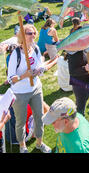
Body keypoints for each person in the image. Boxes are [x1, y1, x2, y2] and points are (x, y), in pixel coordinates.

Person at [7, 24, 52, 153]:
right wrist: (24, 76)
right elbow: (10, 79)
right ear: (22, 35)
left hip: (35, 88)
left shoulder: (36, 49)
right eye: (29, 33)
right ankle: (22, 146)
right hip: (20, 93)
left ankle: (39, 143)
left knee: (40, 117)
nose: (32, 35)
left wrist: (40, 70)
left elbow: (39, 67)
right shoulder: (16, 54)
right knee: (20, 122)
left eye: (33, 33)